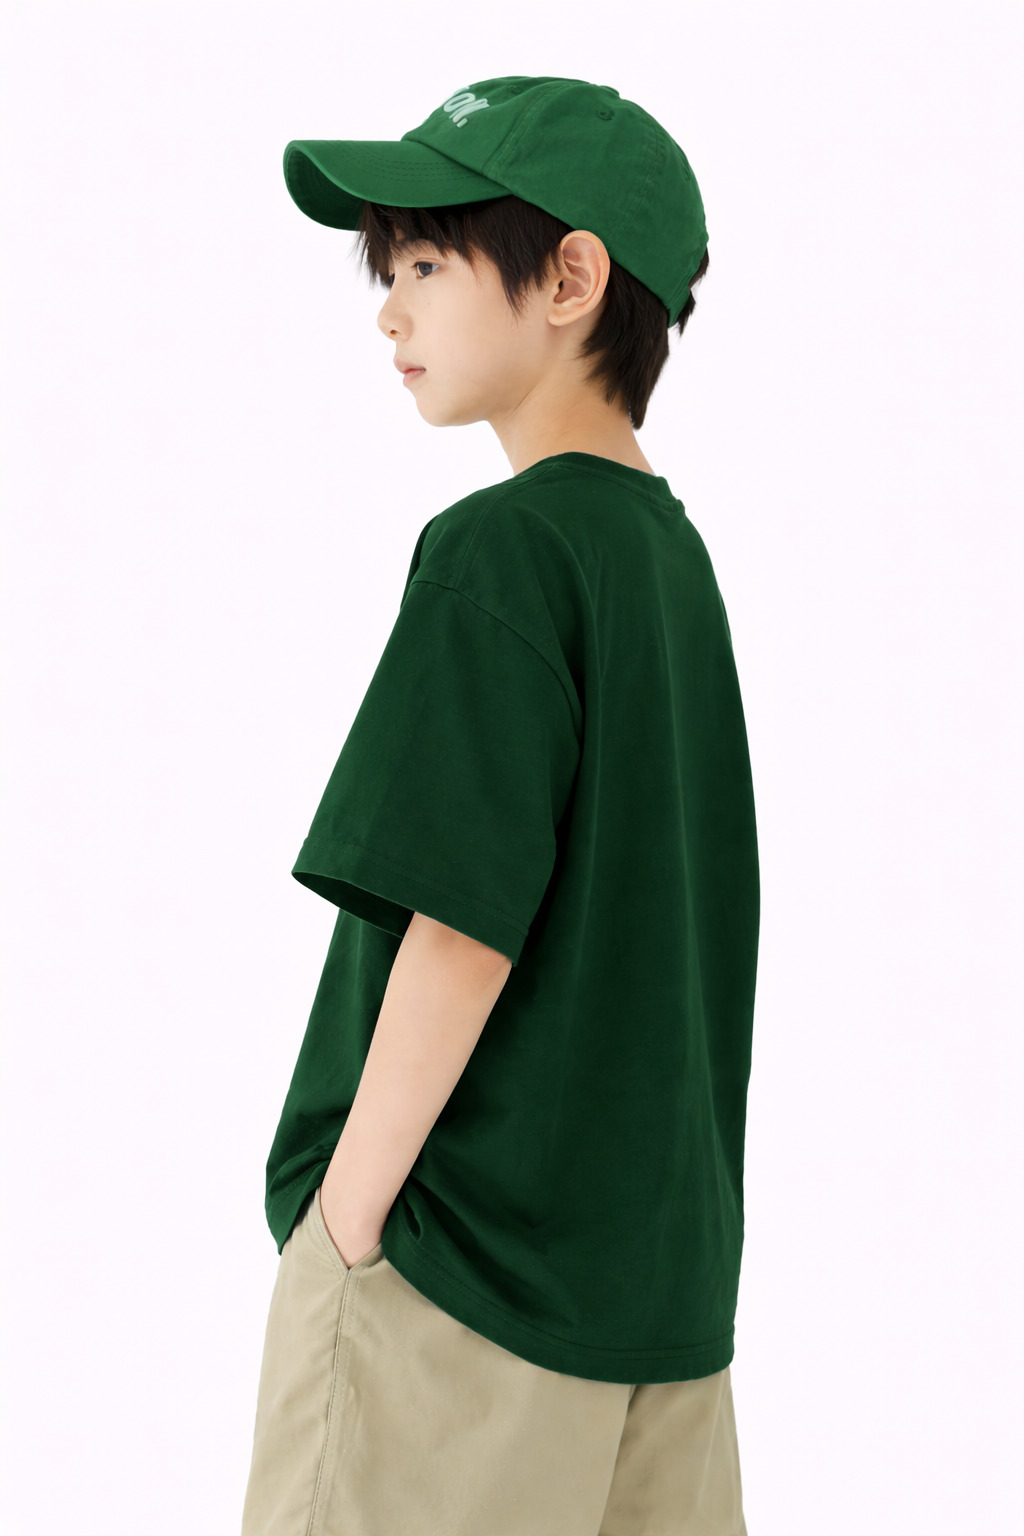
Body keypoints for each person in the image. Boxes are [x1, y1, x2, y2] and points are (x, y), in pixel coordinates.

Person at [241, 74, 758, 1536]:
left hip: (463, 1287)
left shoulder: (503, 552)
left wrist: (348, 1220)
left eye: (424, 263)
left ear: (572, 281)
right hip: (656, 1307)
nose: (389, 312)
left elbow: (461, 924)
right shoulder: (670, 565)